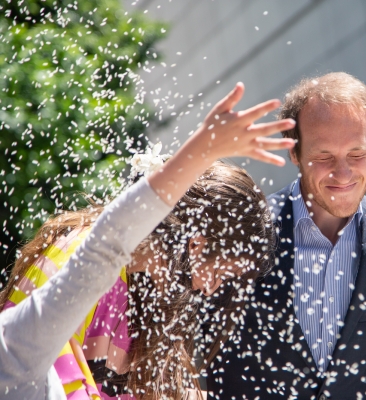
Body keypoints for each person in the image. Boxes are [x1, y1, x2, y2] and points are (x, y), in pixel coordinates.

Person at [0, 82, 296, 400]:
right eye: (220, 273)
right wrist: (203, 148)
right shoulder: (78, 253)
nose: (210, 289)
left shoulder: (153, 296)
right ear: (196, 245)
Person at [205, 73, 366, 399]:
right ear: (295, 153)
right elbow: (199, 356)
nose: (342, 174)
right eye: (324, 156)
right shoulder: (241, 232)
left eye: (356, 153)